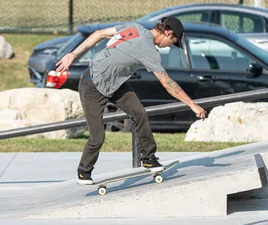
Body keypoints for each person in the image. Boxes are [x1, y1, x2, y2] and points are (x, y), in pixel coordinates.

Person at [55, 17, 206, 185]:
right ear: (168, 33)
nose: (170, 46)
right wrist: (192, 104)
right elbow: (167, 83)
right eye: (173, 41)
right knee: (97, 137)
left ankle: (148, 158)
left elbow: (99, 34)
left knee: (139, 113)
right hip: (92, 85)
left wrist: (73, 54)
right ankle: (84, 171)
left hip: (116, 84)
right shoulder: (149, 50)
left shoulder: (134, 27)